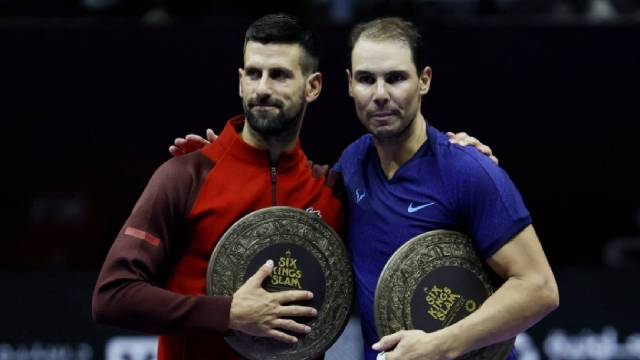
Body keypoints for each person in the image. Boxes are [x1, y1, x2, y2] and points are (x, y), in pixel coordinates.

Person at [92, 13, 346, 360]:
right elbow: (112, 296)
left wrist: (449, 152)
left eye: (280, 75)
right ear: (240, 81)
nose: (263, 88)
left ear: (313, 86)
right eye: (253, 73)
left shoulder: (331, 191)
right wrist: (228, 314)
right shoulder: (186, 175)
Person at [333, 17, 559, 360]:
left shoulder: (469, 171)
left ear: (424, 80)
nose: (380, 94)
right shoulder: (351, 164)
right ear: (350, 84)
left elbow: (539, 289)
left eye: (395, 78)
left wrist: (439, 345)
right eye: (366, 79)